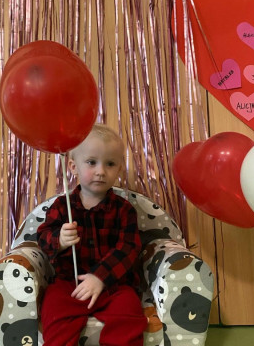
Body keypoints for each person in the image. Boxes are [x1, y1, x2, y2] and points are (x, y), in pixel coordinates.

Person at [37, 123, 147, 346]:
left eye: (110, 164)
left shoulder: (124, 209)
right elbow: (42, 238)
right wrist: (59, 240)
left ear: (119, 169)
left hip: (113, 285)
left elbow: (128, 248)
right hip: (69, 284)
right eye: (91, 162)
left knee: (129, 312)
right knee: (54, 309)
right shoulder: (62, 206)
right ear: (73, 167)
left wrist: (100, 277)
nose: (100, 171)